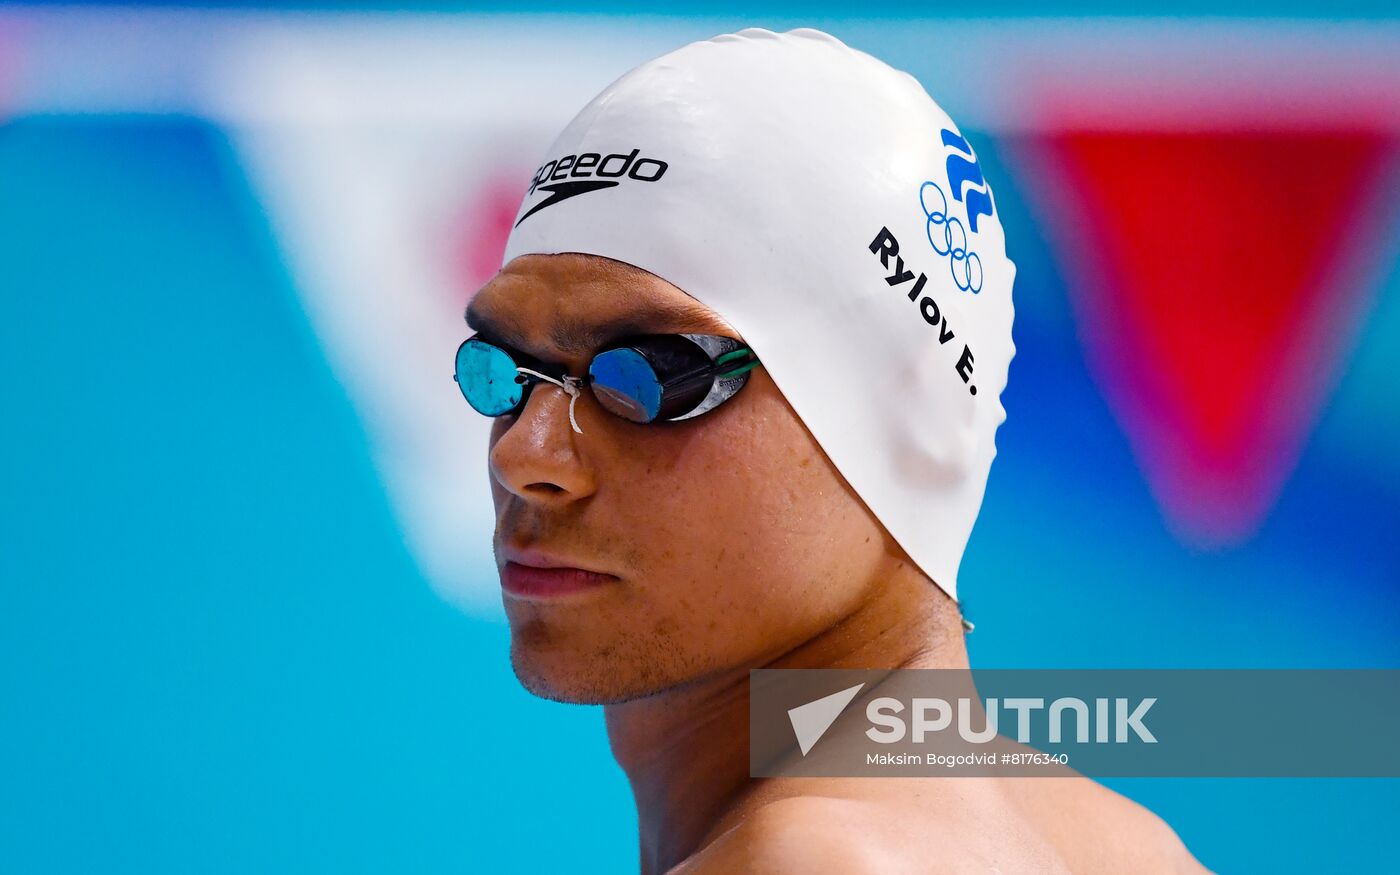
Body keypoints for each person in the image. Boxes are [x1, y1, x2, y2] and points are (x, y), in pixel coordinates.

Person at [455, 27, 1209, 874]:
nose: (527, 452)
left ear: (900, 416)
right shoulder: (1136, 848)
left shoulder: (807, 859)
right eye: (507, 368)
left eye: (654, 377)